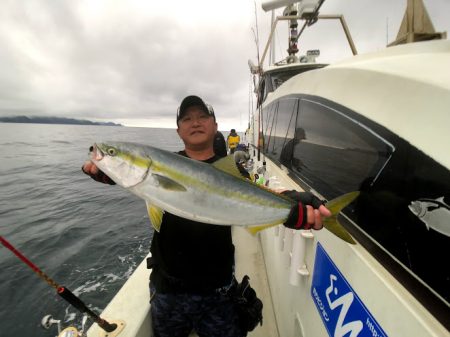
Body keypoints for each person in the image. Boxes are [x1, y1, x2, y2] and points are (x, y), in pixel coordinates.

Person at [82, 95, 331, 337]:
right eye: (187, 118)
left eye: (203, 116)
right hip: (168, 289)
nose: (196, 122)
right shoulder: (165, 164)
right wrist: (109, 172)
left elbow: (260, 193)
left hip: (218, 291)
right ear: (178, 131)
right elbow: (134, 176)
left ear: (215, 126)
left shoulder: (231, 170)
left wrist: (292, 206)